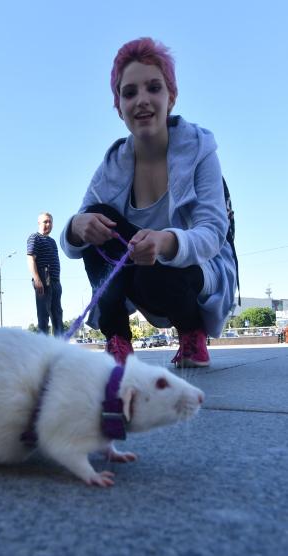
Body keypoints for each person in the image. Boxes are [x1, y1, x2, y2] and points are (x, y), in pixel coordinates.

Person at [60, 37, 237, 367]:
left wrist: (168, 241)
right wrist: (76, 227)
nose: (142, 100)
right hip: (138, 270)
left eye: (153, 88)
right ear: (119, 106)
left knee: (162, 264)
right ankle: (117, 339)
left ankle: (191, 334)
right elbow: (71, 245)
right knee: (94, 215)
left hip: (193, 271)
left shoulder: (201, 150)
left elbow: (214, 233)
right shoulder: (112, 163)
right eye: (130, 93)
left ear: (171, 96)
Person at [27, 212, 64, 336]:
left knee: (58, 316)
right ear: (39, 223)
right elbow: (30, 258)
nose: (48, 224)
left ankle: (60, 347)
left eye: (50, 222)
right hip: (43, 278)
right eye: (45, 221)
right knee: (43, 316)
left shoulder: (52, 241)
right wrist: (37, 279)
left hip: (55, 280)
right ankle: (42, 349)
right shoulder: (34, 237)